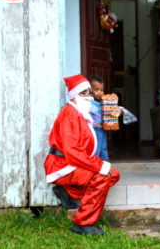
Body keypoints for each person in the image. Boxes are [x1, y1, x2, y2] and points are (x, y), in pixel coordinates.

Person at [44, 74, 120, 235]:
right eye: (83, 93)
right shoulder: (69, 114)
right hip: (62, 165)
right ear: (74, 96)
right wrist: (99, 165)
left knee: (114, 175)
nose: (88, 97)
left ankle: (68, 192)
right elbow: (72, 152)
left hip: (73, 163)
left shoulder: (81, 112)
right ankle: (83, 223)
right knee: (102, 177)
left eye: (89, 93)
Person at [88, 75, 109, 161]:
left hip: (102, 132)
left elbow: (109, 113)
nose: (100, 93)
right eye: (96, 90)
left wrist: (117, 111)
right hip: (93, 132)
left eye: (102, 90)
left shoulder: (103, 103)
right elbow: (85, 118)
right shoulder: (88, 103)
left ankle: (105, 168)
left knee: (103, 149)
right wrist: (96, 124)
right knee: (94, 151)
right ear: (89, 90)